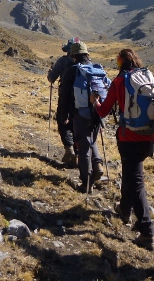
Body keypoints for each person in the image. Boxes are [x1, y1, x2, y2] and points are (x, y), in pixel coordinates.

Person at [90, 48, 154, 252]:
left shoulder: (120, 82)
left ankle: (147, 231)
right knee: (130, 173)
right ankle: (124, 210)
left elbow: (103, 110)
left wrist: (95, 102)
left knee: (135, 181)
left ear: (121, 63)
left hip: (130, 139)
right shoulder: (148, 77)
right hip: (151, 138)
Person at [60, 41, 105, 193]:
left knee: (83, 146)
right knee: (92, 140)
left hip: (80, 113)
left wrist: (63, 115)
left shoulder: (73, 70)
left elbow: (65, 97)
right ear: (87, 54)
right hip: (97, 112)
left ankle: (86, 182)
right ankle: (98, 164)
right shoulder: (96, 69)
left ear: (73, 56)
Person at [47, 37, 78, 166]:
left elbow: (52, 78)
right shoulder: (87, 63)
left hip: (65, 97)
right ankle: (78, 156)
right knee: (77, 125)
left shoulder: (63, 61)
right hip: (82, 100)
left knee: (63, 121)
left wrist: (50, 73)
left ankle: (69, 149)